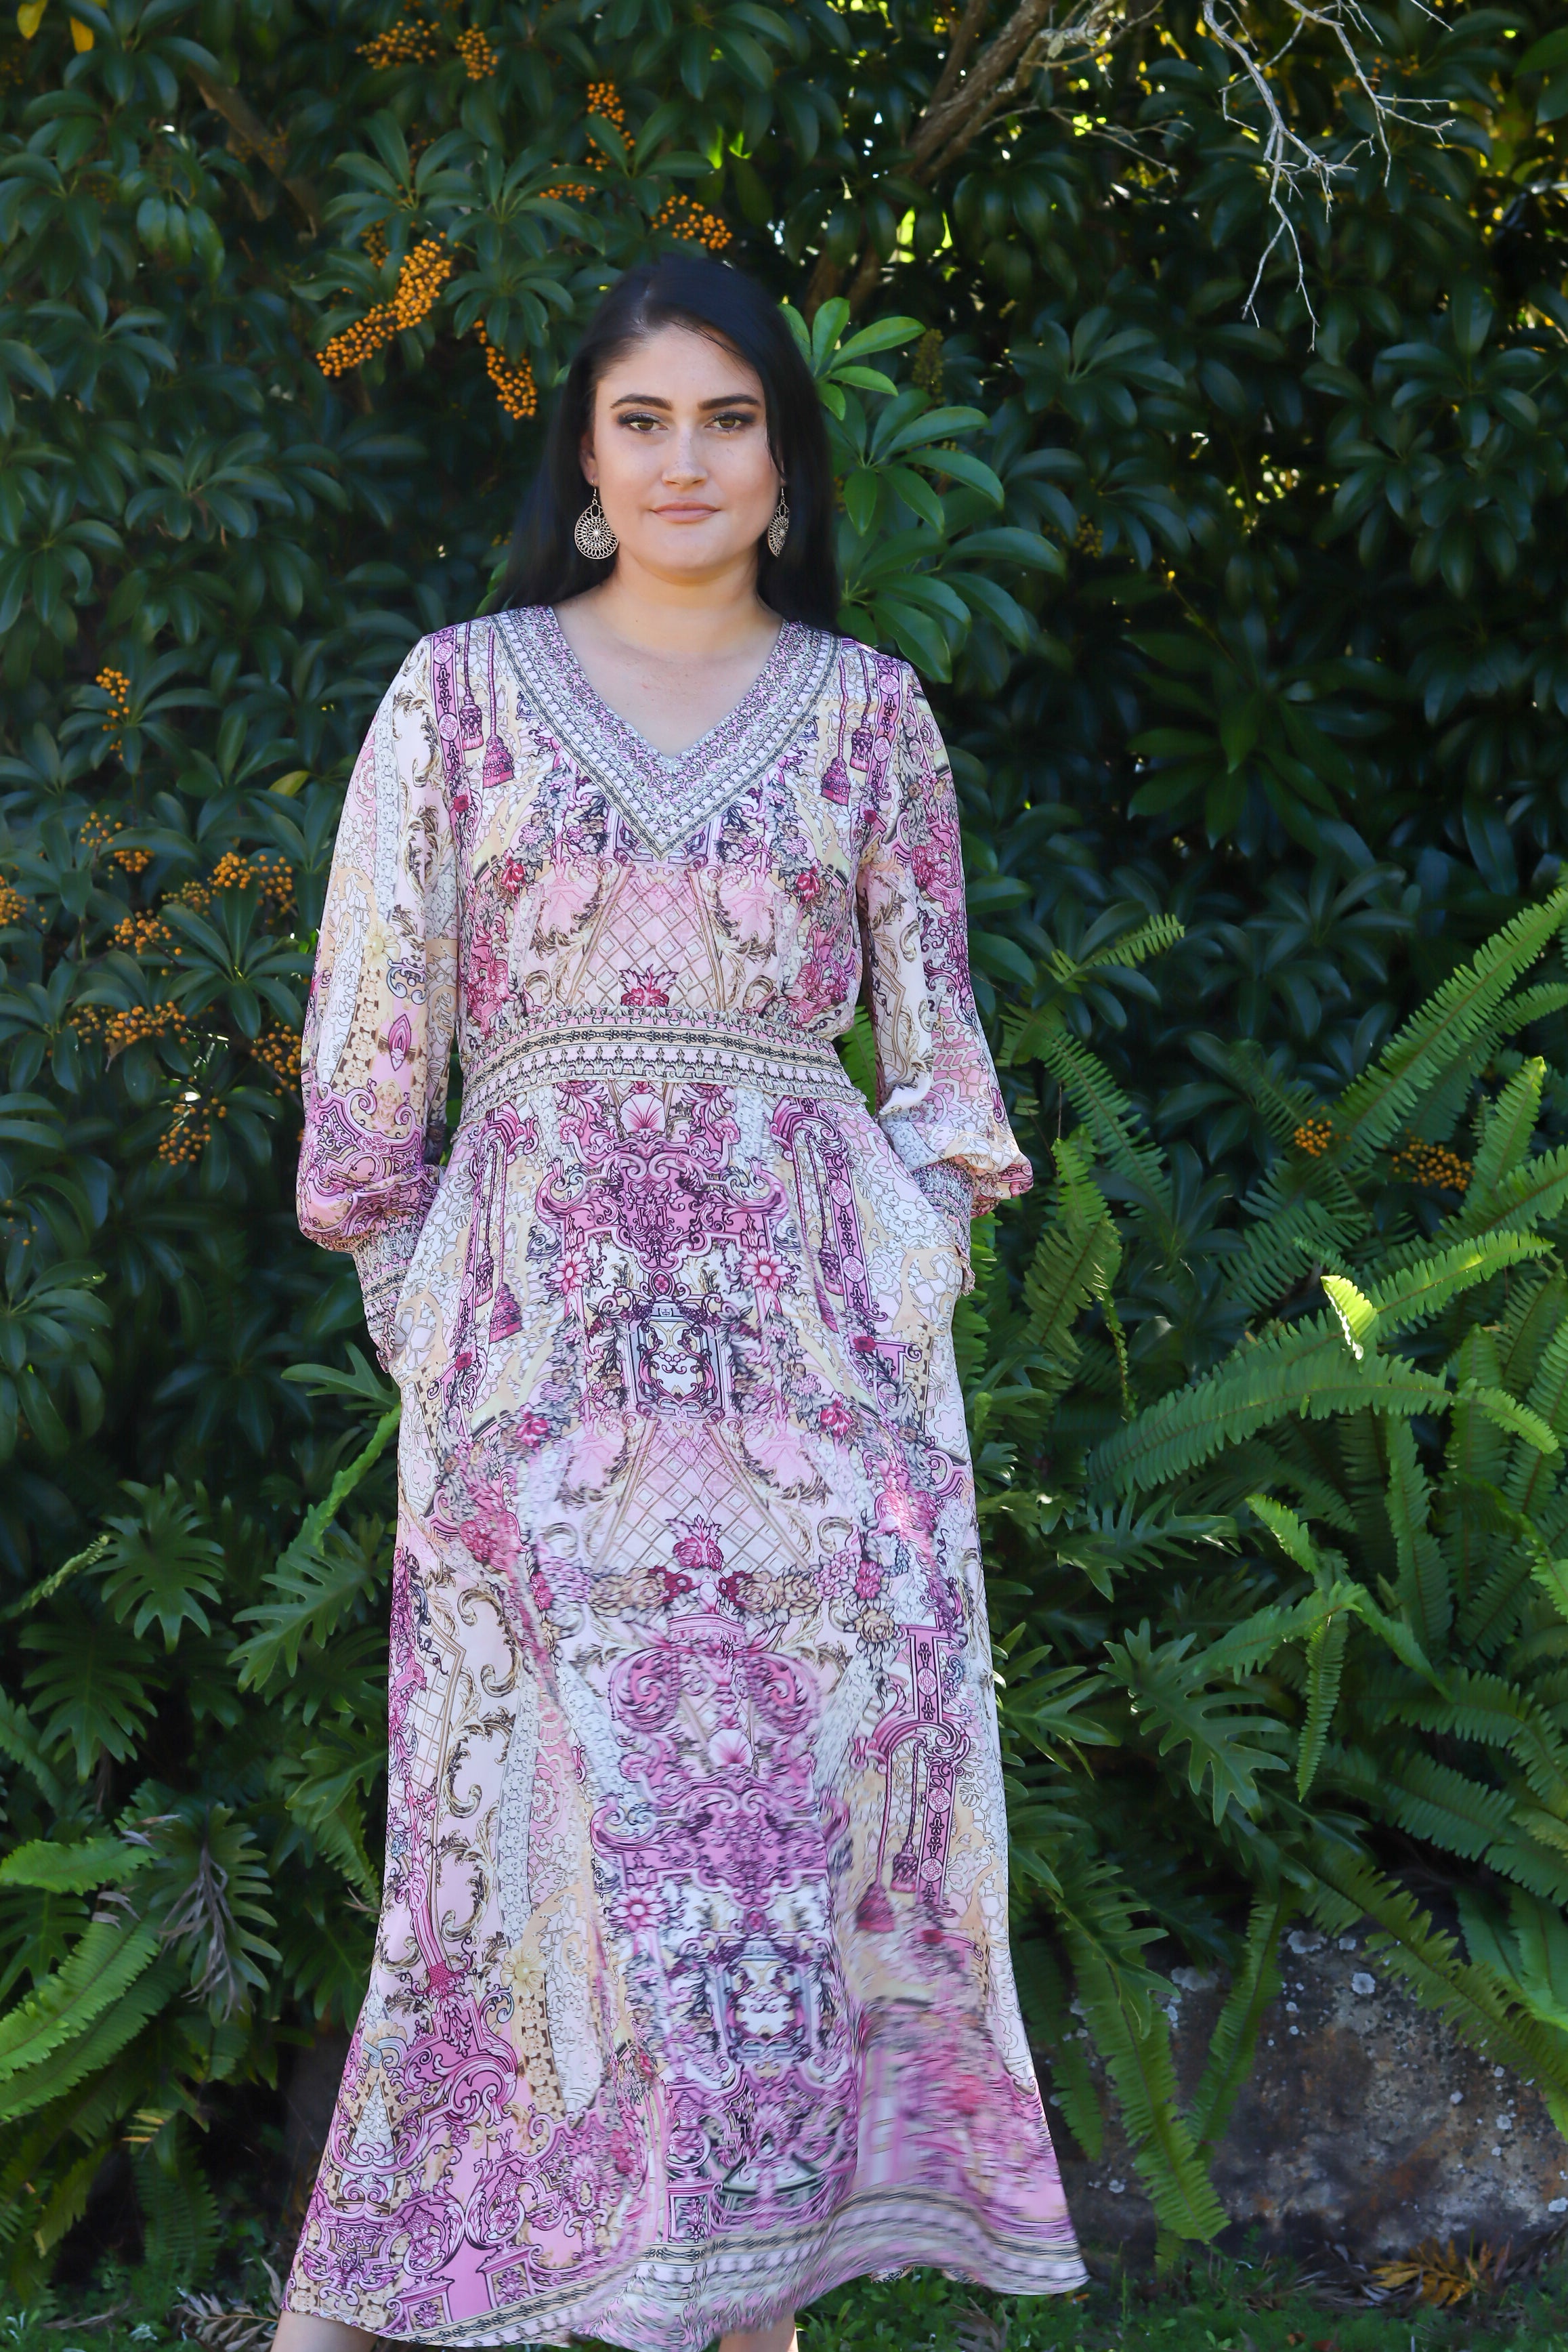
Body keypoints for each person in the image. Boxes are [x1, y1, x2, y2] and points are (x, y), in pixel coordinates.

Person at [278, 251, 1083, 2352]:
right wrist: (423, 1308)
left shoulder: (871, 716)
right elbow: (373, 1044)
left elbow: (939, 1071)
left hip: (817, 1386)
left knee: (777, 1879)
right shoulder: (454, 692)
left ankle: (746, 2314)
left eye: (727, 418)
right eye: (641, 420)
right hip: (539, 1362)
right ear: (581, 460)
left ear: (785, 464)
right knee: (547, 1852)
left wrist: (897, 1292)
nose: (683, 460)